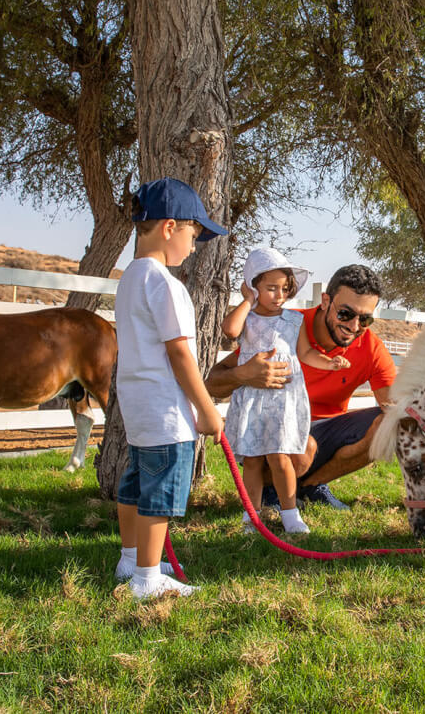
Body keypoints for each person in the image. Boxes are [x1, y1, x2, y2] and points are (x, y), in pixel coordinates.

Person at [112, 177, 226, 599]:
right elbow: (180, 354)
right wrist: (207, 409)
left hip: (138, 405)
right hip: (165, 409)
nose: (193, 247)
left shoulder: (130, 278)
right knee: (159, 494)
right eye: (193, 235)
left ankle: (130, 559)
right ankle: (147, 579)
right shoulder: (165, 284)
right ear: (169, 227)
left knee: (135, 483)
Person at [206, 263, 395, 511]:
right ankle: (271, 491)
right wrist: (244, 374)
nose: (354, 326)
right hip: (274, 432)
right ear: (326, 301)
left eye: (366, 318)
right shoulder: (285, 326)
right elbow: (213, 384)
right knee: (304, 447)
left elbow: (399, 410)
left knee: (390, 423)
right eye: (346, 314)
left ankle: (311, 486)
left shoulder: (371, 348)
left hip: (326, 431)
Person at [221, 247, 351, 535]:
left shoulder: (294, 320)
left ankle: (290, 513)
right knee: (253, 459)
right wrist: (247, 301)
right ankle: (251, 516)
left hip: (283, 399)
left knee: (280, 457)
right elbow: (230, 331)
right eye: (269, 288)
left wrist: (329, 363)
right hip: (254, 398)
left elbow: (304, 353)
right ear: (253, 286)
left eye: (283, 288)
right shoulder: (248, 318)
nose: (278, 295)